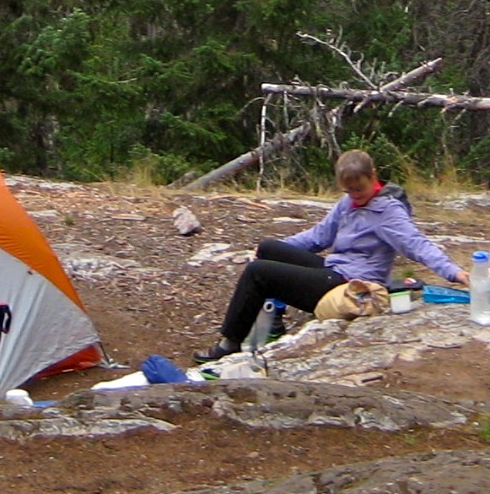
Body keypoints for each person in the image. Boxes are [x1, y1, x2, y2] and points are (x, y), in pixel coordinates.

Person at [197, 149, 467, 363]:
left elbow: (417, 245)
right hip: (333, 268)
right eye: (348, 190)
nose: (354, 196)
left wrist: (453, 272)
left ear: (373, 175)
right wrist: (277, 247)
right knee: (268, 248)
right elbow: (319, 237)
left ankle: (229, 343)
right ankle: (274, 322)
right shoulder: (347, 202)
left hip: (350, 284)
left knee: (259, 273)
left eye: (359, 189)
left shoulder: (388, 212)